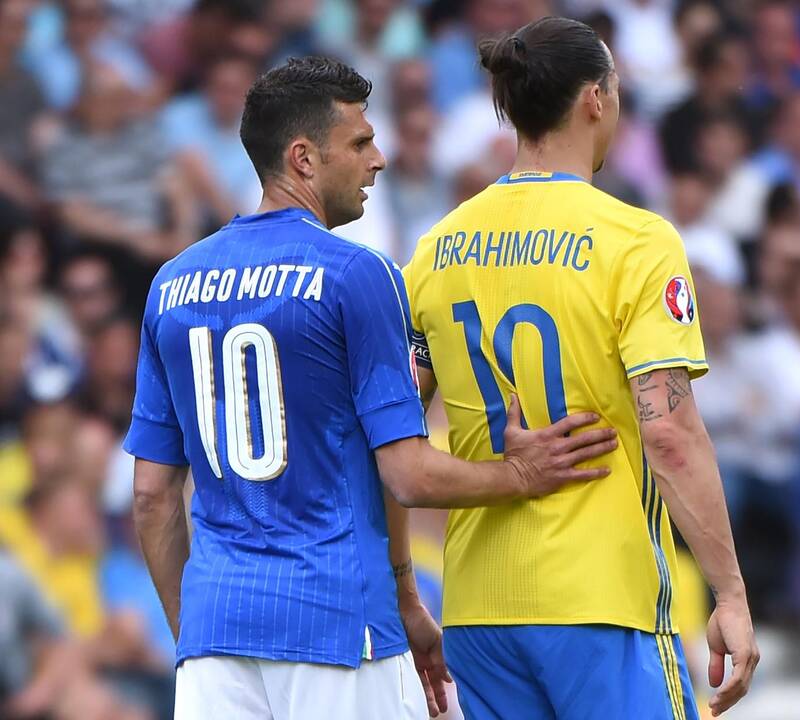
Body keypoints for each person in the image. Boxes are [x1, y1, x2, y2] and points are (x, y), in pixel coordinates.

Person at [124, 56, 617, 720]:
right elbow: (408, 474)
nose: (378, 159)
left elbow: (153, 497)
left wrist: (200, 638)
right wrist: (521, 475)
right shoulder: (357, 274)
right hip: (336, 624)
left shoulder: (172, 285)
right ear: (303, 157)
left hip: (215, 640)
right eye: (359, 142)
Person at [403, 17, 758, 720]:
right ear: (595, 98)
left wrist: (405, 590)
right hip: (603, 600)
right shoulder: (636, 240)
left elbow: (387, 428)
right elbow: (670, 434)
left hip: (479, 612)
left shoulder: (436, 248)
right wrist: (731, 595)